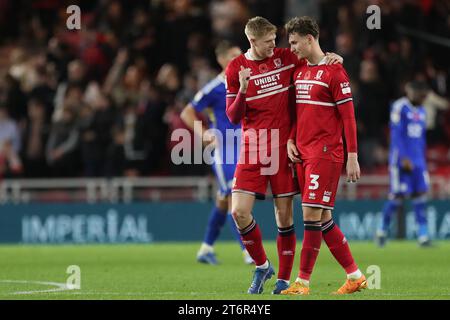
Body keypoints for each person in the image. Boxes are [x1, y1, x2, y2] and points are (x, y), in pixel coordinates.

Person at [225, 16, 343, 294]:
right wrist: (242, 89)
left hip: (283, 149)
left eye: (274, 41)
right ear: (252, 41)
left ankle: (283, 280)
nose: (274, 46)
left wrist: (331, 57)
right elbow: (232, 117)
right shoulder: (236, 68)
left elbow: (314, 58)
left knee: (284, 217)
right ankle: (263, 265)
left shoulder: (285, 58)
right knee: (238, 212)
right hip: (253, 147)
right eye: (268, 42)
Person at [282, 16, 366, 295]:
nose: (291, 48)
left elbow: (349, 118)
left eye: (295, 42)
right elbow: (299, 113)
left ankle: (302, 282)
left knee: (310, 214)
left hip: (326, 153)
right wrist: (292, 138)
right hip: (303, 153)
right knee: (323, 218)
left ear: (310, 38)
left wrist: (352, 156)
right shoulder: (300, 72)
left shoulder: (335, 72)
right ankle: (355, 276)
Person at [180, 41, 253, 265]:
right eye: (233, 56)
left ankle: (205, 248)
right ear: (221, 60)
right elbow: (187, 112)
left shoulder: (247, 84)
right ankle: (248, 252)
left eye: (240, 55)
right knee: (234, 196)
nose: (238, 59)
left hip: (245, 147)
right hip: (224, 149)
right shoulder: (214, 87)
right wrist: (203, 134)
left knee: (223, 200)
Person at [376, 80, 431, 247]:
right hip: (401, 161)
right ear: (410, 92)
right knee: (397, 197)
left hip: (418, 161)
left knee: (420, 196)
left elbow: (421, 138)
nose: (422, 99)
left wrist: (421, 159)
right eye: (420, 95)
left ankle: (423, 237)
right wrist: (403, 158)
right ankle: (381, 232)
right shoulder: (400, 107)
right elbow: (396, 134)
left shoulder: (422, 111)